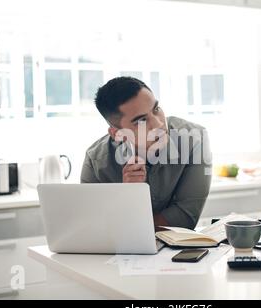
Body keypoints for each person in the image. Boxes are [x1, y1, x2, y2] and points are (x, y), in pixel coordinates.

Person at [80, 77, 212, 230]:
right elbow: (94, 227)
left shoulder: (194, 139)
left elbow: (186, 217)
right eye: (141, 120)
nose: (159, 124)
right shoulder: (95, 161)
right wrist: (128, 194)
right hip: (119, 252)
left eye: (156, 109)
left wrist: (127, 225)